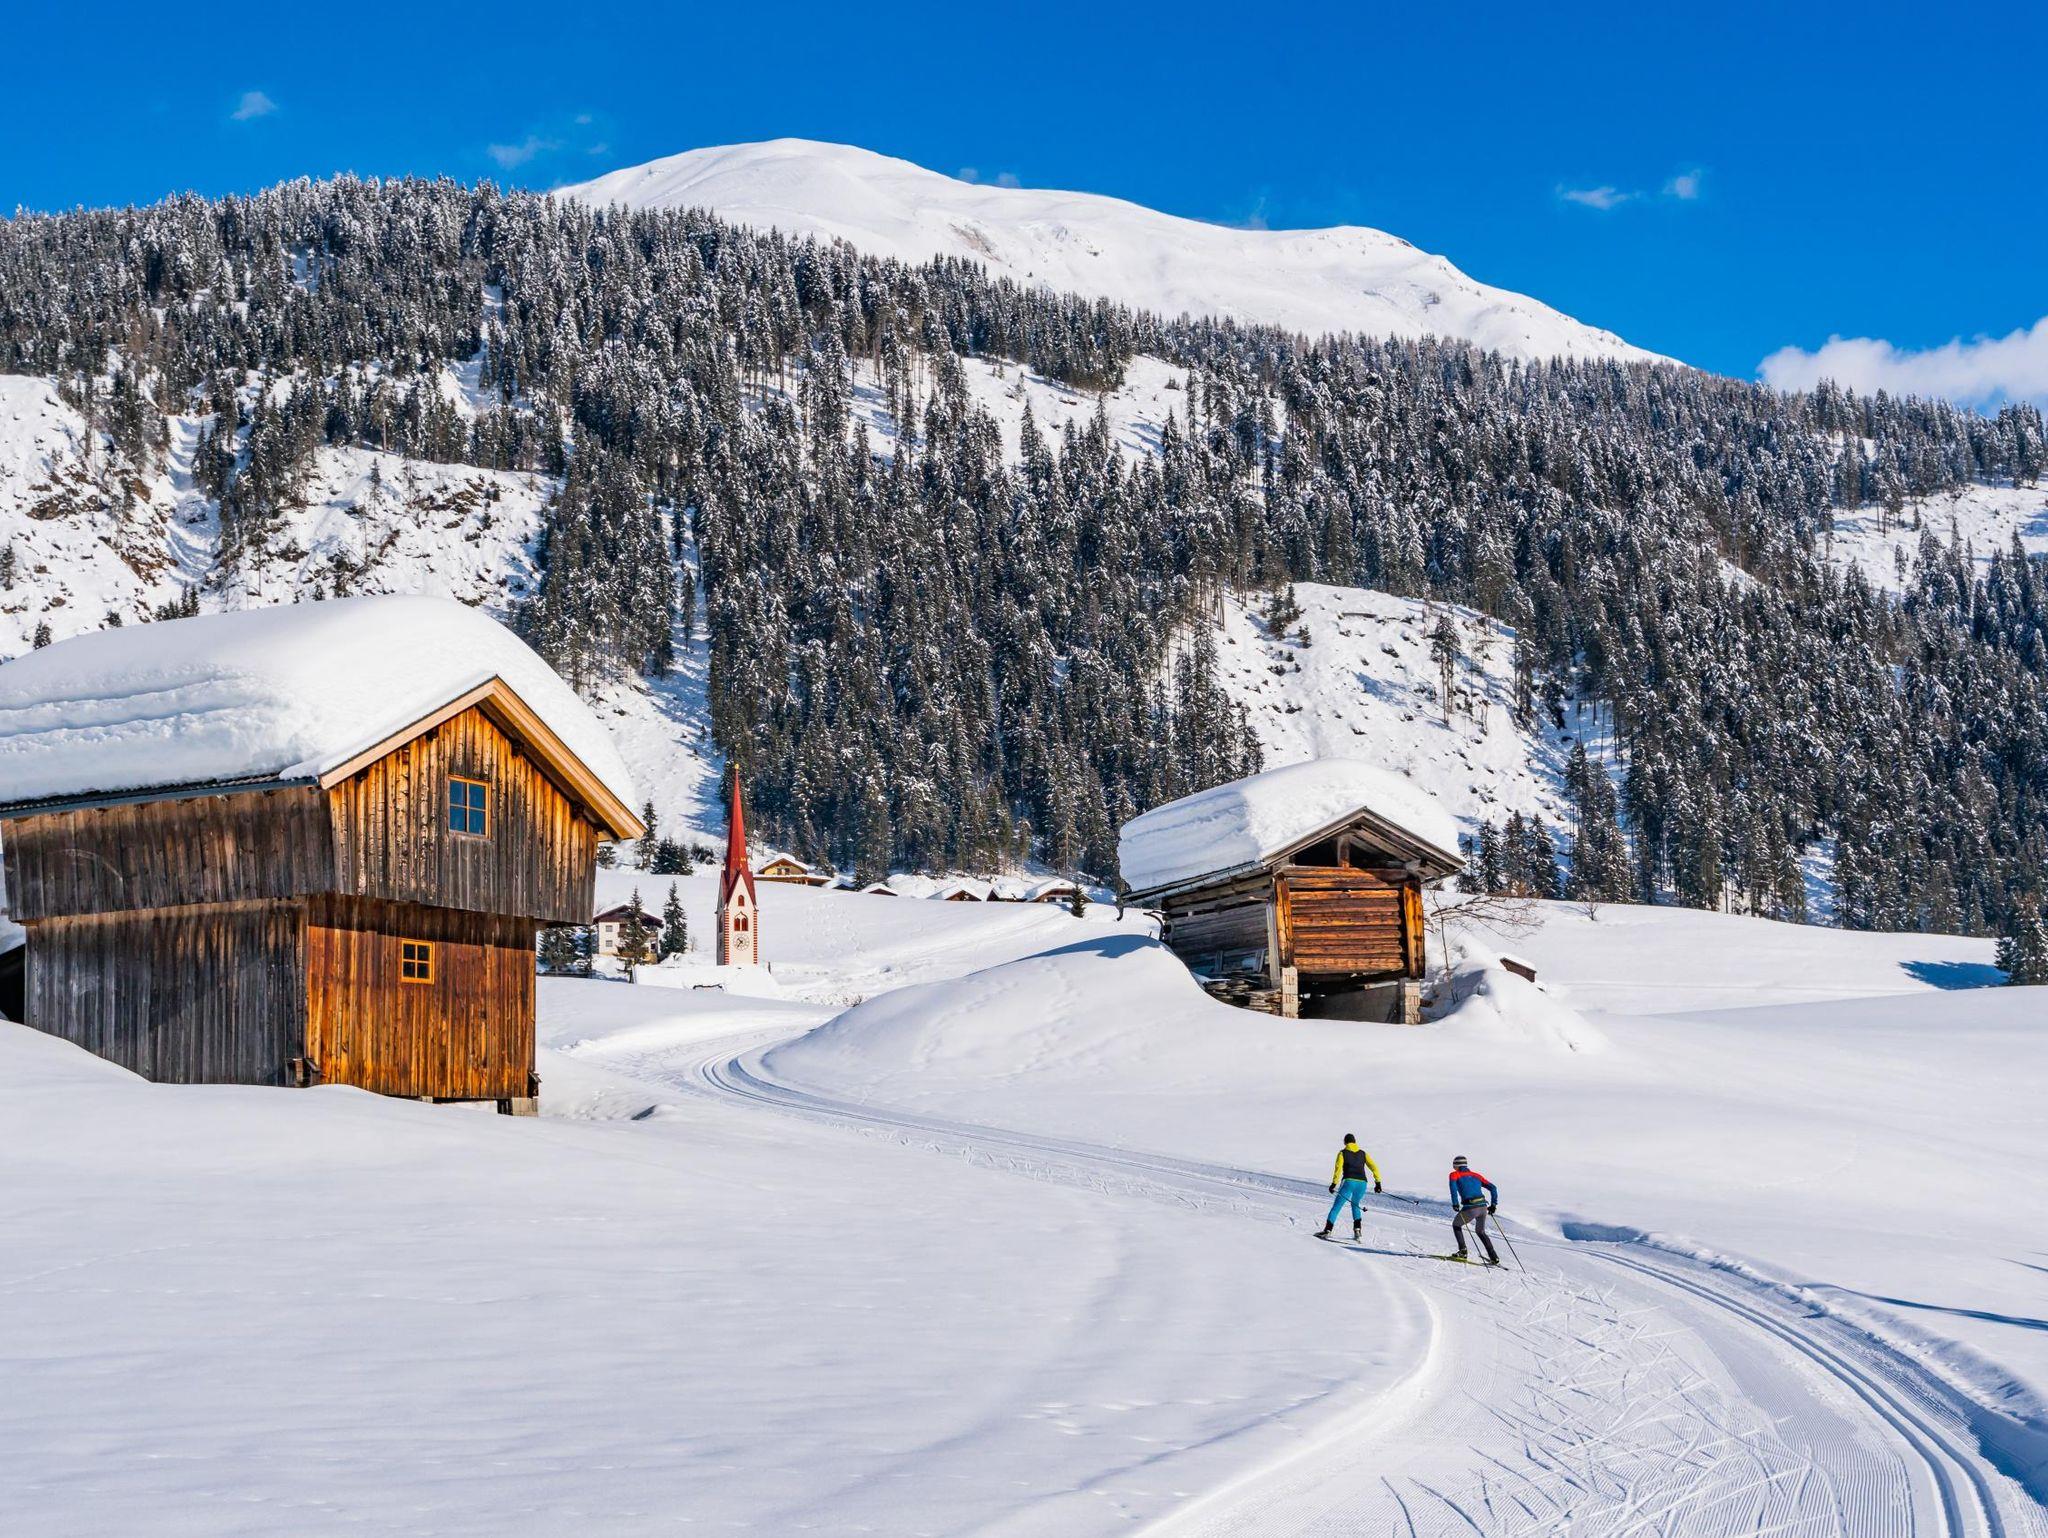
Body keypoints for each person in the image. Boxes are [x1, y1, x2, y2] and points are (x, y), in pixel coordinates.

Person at [1317, 1134, 1383, 1241]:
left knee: (1336, 1207)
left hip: (1349, 1182)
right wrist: (1378, 1183)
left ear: (1345, 1142)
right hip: (1362, 1184)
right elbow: (1374, 1167)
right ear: (1355, 1142)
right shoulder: (1363, 1153)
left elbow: (1338, 1169)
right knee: (1355, 1204)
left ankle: (1327, 1230)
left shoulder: (1342, 1153)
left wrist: (1334, 1184)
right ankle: (1357, 1230)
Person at [1447, 1155, 1500, 1265]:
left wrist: (1455, 1204)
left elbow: (1453, 1190)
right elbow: (1493, 1188)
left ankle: (1463, 1252)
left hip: (1470, 1208)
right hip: (1483, 1208)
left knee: (1456, 1225)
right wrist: (1493, 1205)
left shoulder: (1454, 1175)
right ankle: (1494, 1257)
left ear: (1456, 1165)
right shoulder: (1477, 1175)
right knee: (1480, 1232)